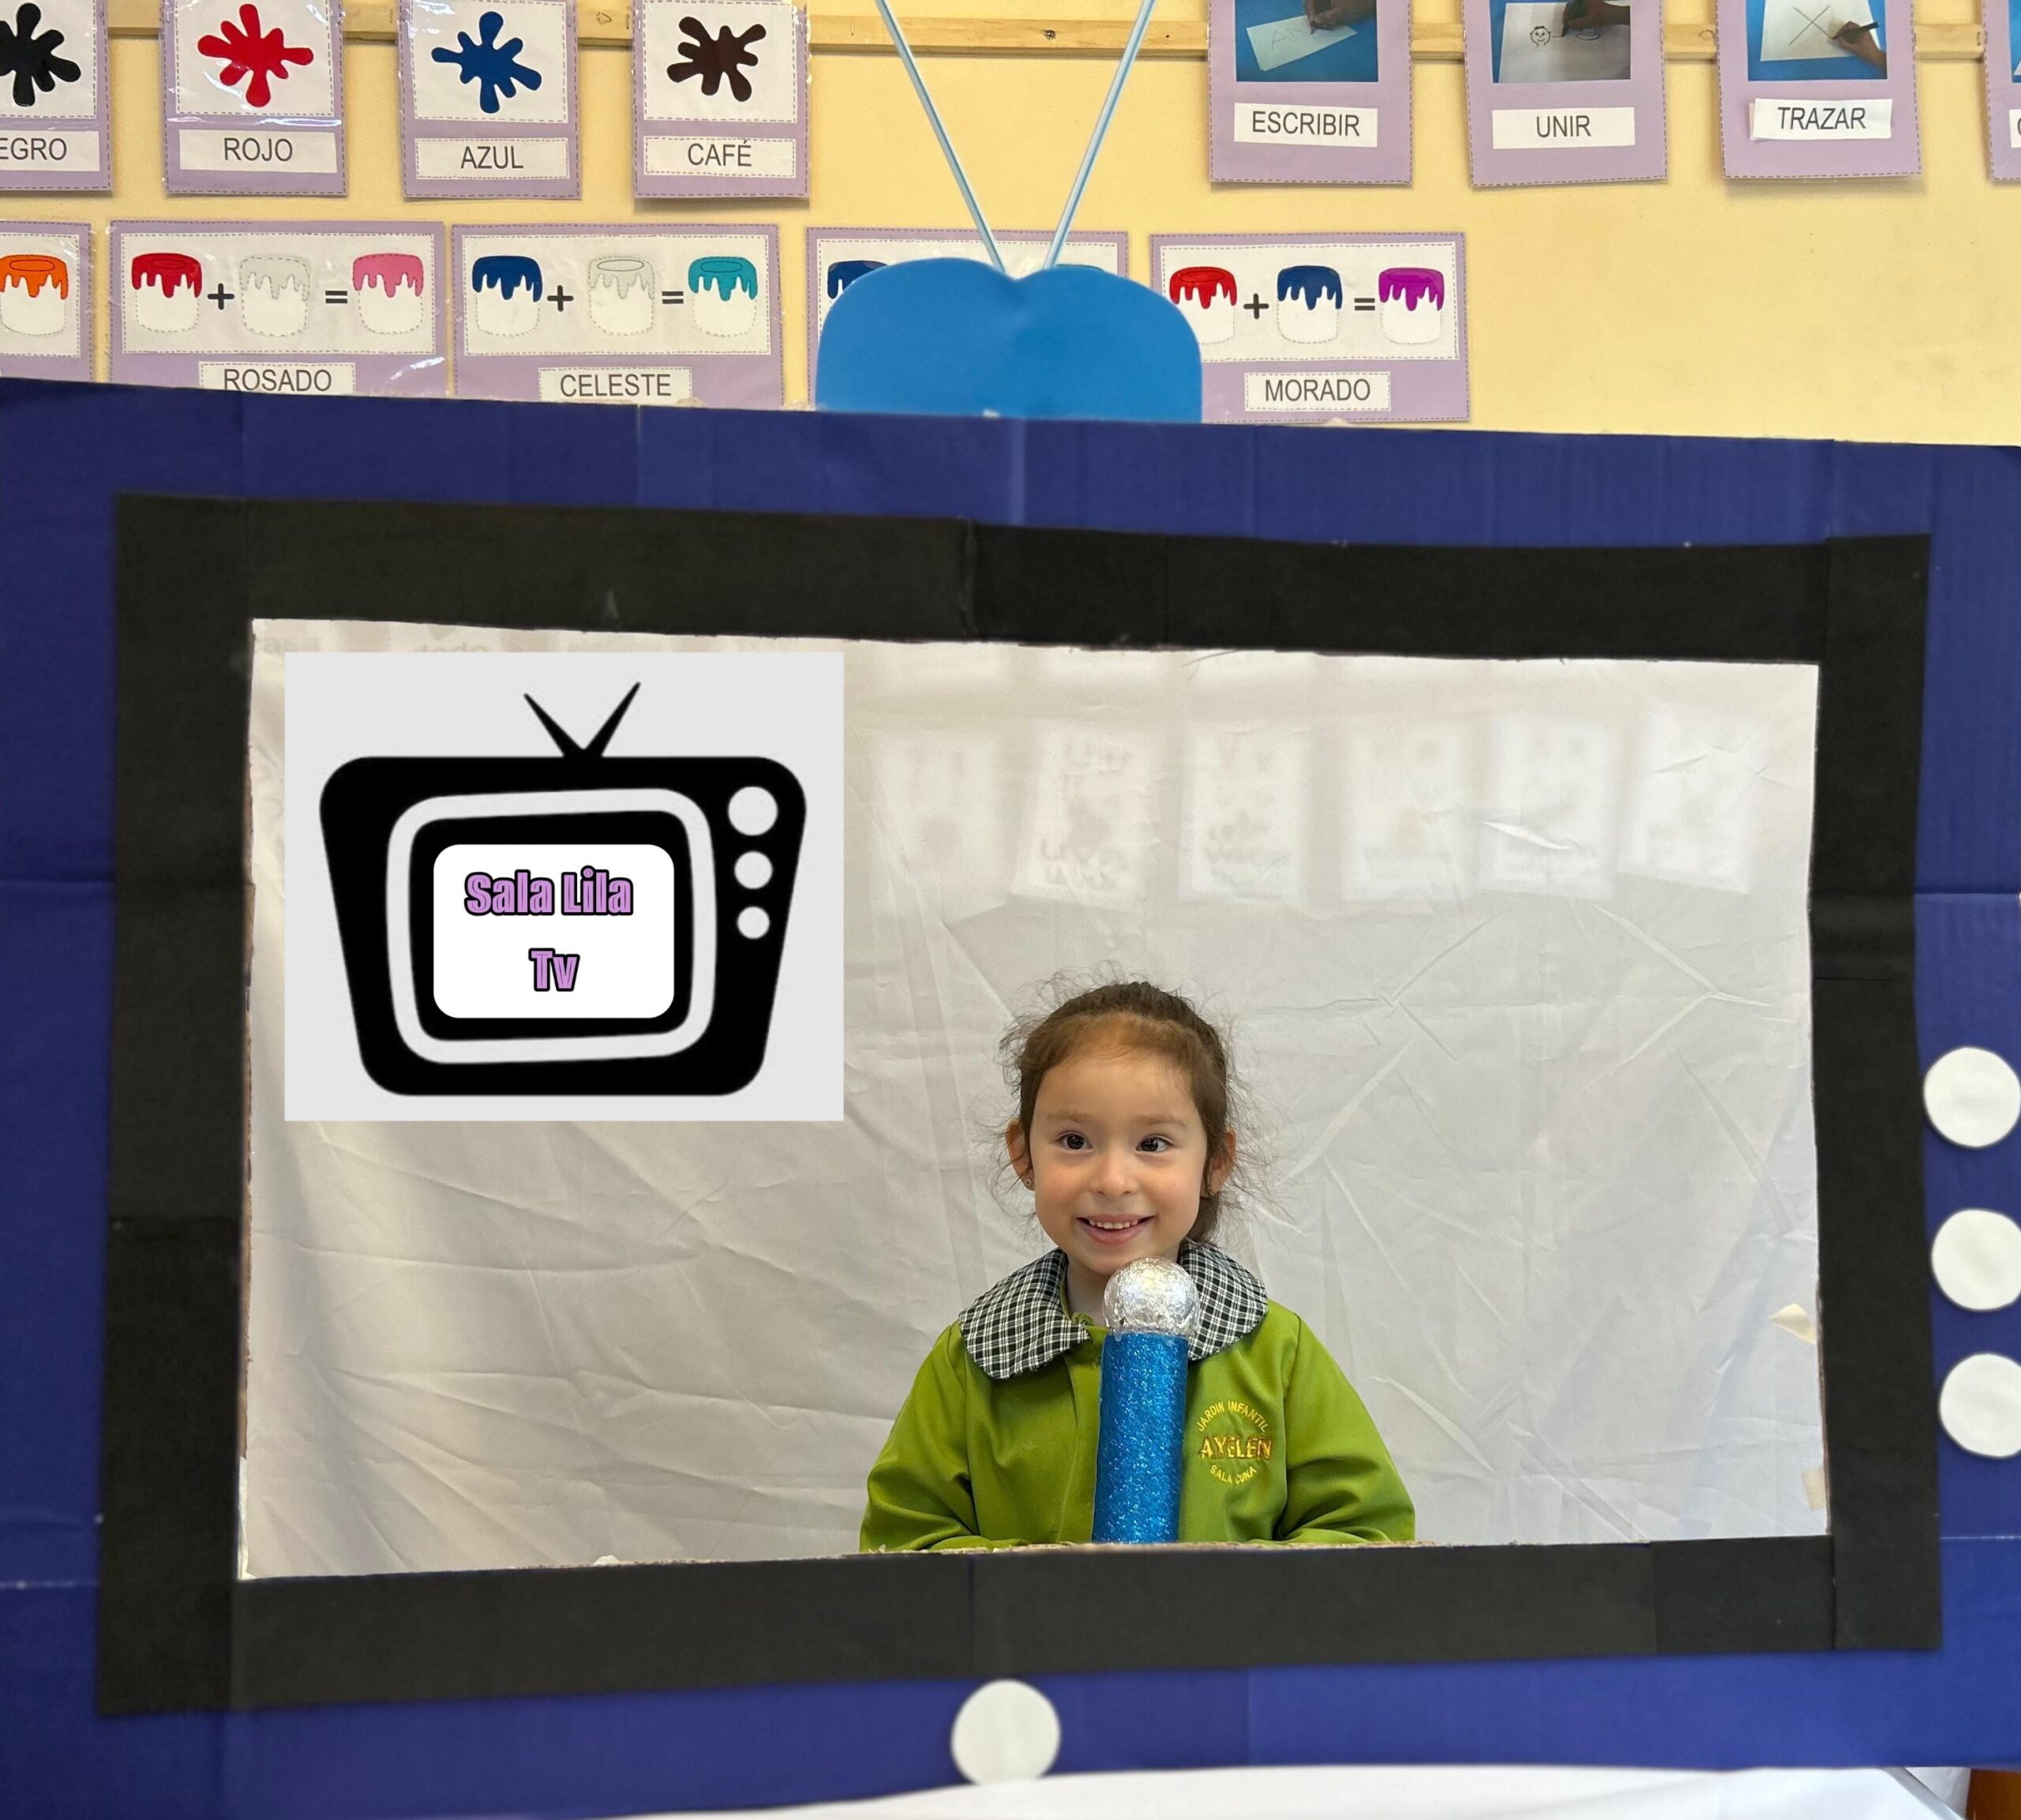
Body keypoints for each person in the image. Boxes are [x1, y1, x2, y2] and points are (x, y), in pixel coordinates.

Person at [861, 981, 1415, 1551]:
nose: (1112, 1180)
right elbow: (902, 1546)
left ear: (1215, 1161)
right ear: (1024, 1154)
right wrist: (1047, 1581)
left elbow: (1367, 1536)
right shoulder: (974, 1359)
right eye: (1074, 1140)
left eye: (1152, 1144)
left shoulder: (1275, 1354)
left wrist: (1216, 1587)